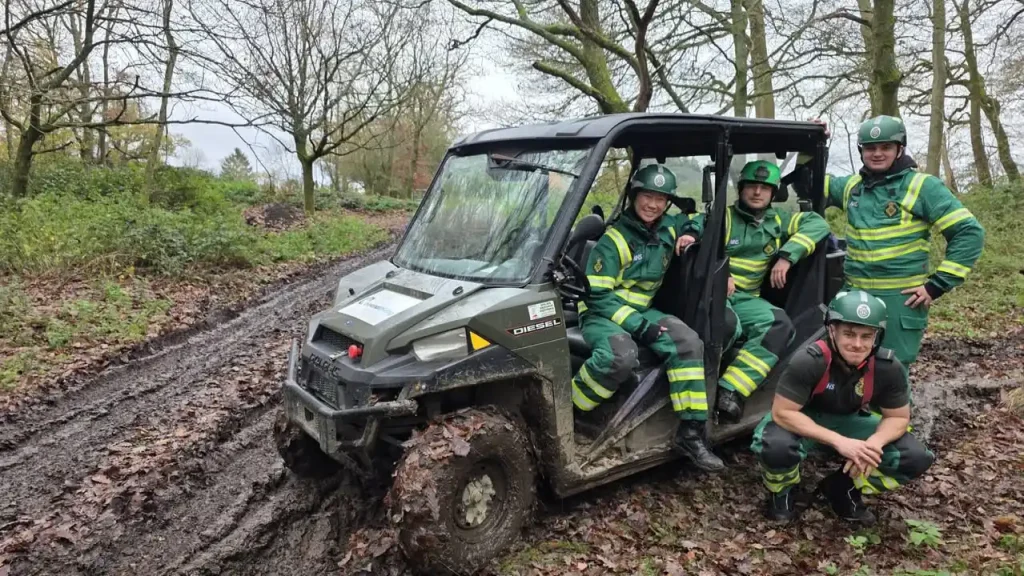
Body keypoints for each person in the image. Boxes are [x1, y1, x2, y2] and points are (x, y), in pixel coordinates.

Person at [802, 116, 985, 370]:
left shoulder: (923, 186)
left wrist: (937, 285)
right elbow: (806, 184)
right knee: (841, 369)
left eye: (885, 147)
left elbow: (969, 232)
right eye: (870, 148)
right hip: (852, 295)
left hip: (900, 301)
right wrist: (810, 140)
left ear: (900, 149)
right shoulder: (852, 187)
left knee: (890, 372)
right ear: (861, 151)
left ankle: (893, 413)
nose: (877, 154)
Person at [573, 163, 723, 471]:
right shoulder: (612, 240)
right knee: (620, 355)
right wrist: (640, 327)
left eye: (661, 198)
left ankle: (691, 432)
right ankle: (574, 410)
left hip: (643, 310)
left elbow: (704, 219)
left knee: (688, 342)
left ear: (668, 202)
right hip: (602, 313)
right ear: (634, 195)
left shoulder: (669, 227)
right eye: (647, 196)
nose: (653, 204)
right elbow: (598, 296)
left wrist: (690, 235)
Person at [750, 290, 935, 524]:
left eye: (866, 337)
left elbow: (898, 418)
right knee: (774, 445)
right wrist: (840, 442)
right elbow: (783, 412)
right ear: (832, 330)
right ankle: (783, 492)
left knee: (915, 457)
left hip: (850, 419)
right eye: (849, 334)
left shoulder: (888, 366)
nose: (857, 344)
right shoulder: (810, 360)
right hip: (803, 418)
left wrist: (873, 445)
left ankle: (842, 487)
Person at [677, 160, 830, 422]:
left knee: (779, 325)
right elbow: (694, 225)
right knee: (725, 325)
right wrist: (716, 268)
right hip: (715, 298)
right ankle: (698, 397)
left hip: (748, 299)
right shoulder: (723, 217)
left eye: (765, 188)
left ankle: (731, 391)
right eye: (752, 187)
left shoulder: (778, 221)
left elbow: (818, 224)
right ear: (741, 189)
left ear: (773, 193)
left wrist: (787, 256)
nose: (758, 193)